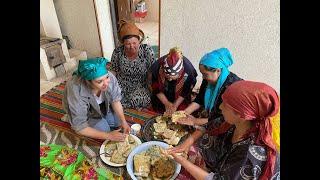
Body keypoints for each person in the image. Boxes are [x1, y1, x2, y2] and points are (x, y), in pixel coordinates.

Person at [168, 80, 280, 180]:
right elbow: (207, 127)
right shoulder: (232, 121)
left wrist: (183, 161)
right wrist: (185, 145)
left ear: (242, 115)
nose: (220, 107)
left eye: (225, 105)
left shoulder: (249, 155)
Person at [174, 48, 242, 155]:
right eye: (202, 74)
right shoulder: (208, 80)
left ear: (218, 70)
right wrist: (184, 112)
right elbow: (200, 99)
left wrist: (195, 121)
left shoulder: (232, 88)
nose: (203, 78)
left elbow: (222, 119)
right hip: (212, 116)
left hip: (228, 123)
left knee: (208, 147)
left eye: (205, 74)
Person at [62, 57, 130, 141]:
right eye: (99, 81)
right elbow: (80, 127)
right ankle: (71, 117)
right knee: (104, 130)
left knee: (118, 122)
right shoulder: (76, 89)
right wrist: (108, 135)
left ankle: (103, 118)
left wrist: (123, 121)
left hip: (103, 106)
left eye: (107, 77)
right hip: (88, 113)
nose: (106, 83)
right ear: (88, 81)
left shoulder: (109, 77)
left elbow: (115, 100)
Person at [110, 20, 156, 109]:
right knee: (111, 96)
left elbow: (153, 69)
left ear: (139, 41)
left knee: (140, 99)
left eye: (134, 43)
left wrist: (150, 85)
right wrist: (111, 85)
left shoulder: (146, 50)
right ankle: (123, 105)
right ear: (123, 43)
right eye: (128, 44)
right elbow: (113, 70)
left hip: (141, 84)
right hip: (122, 84)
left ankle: (123, 106)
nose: (131, 46)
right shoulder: (117, 52)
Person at [150, 47, 198, 114]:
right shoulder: (157, 67)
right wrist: (166, 102)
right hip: (162, 94)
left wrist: (175, 105)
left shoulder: (188, 71)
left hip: (180, 95)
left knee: (180, 114)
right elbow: (156, 88)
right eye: (167, 77)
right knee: (159, 113)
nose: (169, 79)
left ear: (180, 74)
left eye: (173, 78)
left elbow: (185, 91)